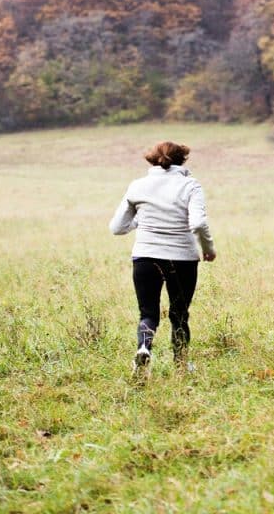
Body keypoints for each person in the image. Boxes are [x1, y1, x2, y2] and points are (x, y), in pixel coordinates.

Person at [109, 141, 216, 373]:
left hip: (145, 257)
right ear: (182, 160)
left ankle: (144, 348)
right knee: (179, 314)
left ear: (152, 159)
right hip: (182, 259)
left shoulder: (138, 186)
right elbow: (197, 222)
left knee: (148, 313)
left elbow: (117, 227)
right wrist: (208, 248)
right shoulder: (190, 185)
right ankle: (181, 365)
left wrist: (143, 219)